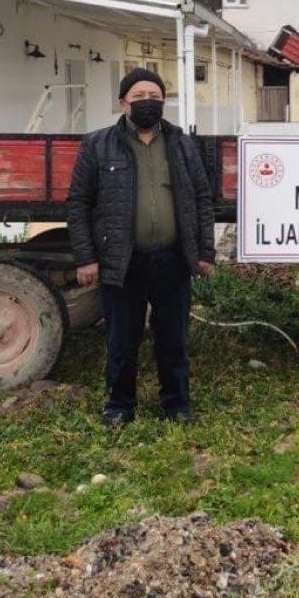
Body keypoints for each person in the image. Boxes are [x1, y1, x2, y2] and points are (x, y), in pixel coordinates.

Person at [66, 68, 216, 426]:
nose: (148, 103)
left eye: (155, 96)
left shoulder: (181, 144)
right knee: (122, 340)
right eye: (139, 97)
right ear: (123, 103)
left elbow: (201, 198)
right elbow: (78, 202)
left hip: (172, 259)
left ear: (163, 101)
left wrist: (205, 252)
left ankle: (176, 405)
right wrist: (87, 257)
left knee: (173, 338)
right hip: (123, 262)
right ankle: (119, 406)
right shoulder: (98, 145)